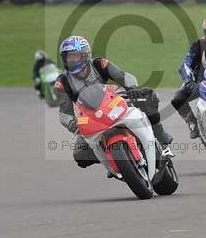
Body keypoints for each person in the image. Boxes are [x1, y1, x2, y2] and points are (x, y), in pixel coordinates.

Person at [54, 35, 175, 170]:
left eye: (74, 56)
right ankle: (115, 161)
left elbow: (123, 76)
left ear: (84, 55)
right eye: (67, 57)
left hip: (113, 102)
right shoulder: (62, 81)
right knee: (80, 155)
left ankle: (161, 139)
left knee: (148, 97)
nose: (70, 60)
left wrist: (132, 88)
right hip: (89, 117)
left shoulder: (99, 64)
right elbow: (64, 112)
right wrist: (72, 123)